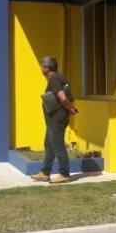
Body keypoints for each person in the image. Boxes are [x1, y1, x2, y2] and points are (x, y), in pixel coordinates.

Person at [31, 56, 78, 184]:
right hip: (53, 119)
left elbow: (62, 97)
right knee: (49, 144)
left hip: (57, 118)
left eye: (41, 66)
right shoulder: (56, 78)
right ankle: (45, 172)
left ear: (46, 68)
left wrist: (70, 109)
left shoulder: (54, 79)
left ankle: (64, 174)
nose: (41, 68)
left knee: (58, 145)